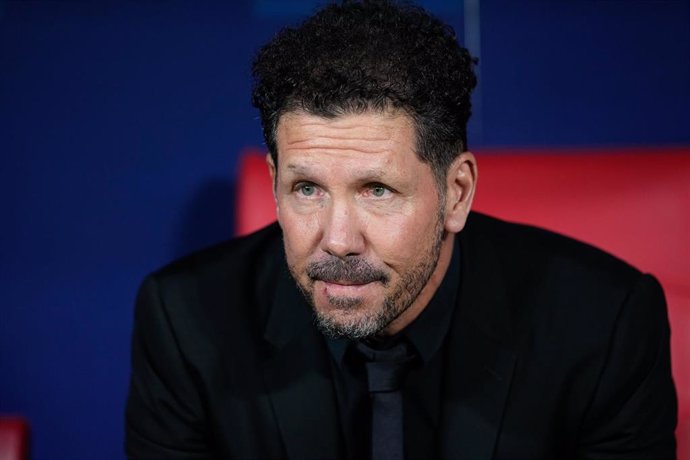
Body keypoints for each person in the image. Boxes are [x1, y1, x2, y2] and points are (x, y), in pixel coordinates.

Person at [124, 1, 677, 459]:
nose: (338, 239)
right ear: (274, 184)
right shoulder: (184, 321)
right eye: (307, 189)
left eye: (377, 190)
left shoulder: (604, 324)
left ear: (456, 192)